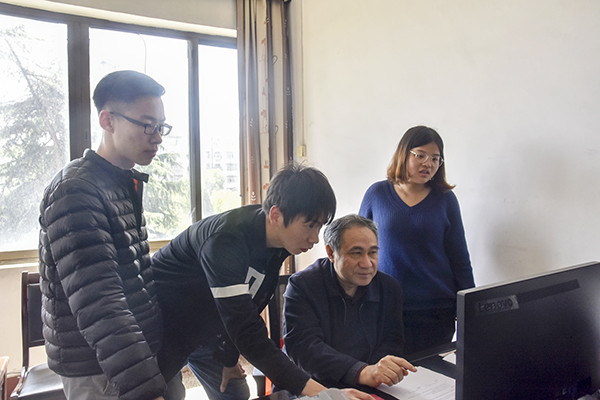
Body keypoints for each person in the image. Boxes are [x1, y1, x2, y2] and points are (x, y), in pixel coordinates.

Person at [152, 164, 373, 400]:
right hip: (165, 326)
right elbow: (247, 330)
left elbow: (249, 303)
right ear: (276, 215)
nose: (315, 238)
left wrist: (229, 357)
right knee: (163, 393)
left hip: (209, 327)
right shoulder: (226, 241)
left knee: (236, 393)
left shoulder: (278, 243)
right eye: (310, 225)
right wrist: (325, 394)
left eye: (319, 226)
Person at [38, 70, 174, 400]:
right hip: (100, 366)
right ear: (107, 120)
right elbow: (100, 303)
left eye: (161, 127)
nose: (157, 137)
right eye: (147, 125)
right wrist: (145, 387)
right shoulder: (76, 190)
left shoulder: (121, 182)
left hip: (136, 355)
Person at [359, 125, 475, 355]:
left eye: (435, 159)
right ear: (404, 154)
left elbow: (459, 258)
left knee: (432, 373)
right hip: (386, 307)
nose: (428, 164)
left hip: (436, 310)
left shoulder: (446, 200)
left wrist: (470, 309)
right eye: (420, 155)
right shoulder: (377, 194)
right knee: (388, 372)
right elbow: (357, 247)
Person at [283, 214, 417, 391]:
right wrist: (360, 372)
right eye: (356, 253)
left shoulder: (388, 287)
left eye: (373, 252)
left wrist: (377, 372)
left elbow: (392, 342)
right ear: (331, 253)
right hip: (314, 385)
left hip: (369, 384)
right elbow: (305, 348)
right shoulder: (302, 285)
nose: (367, 263)